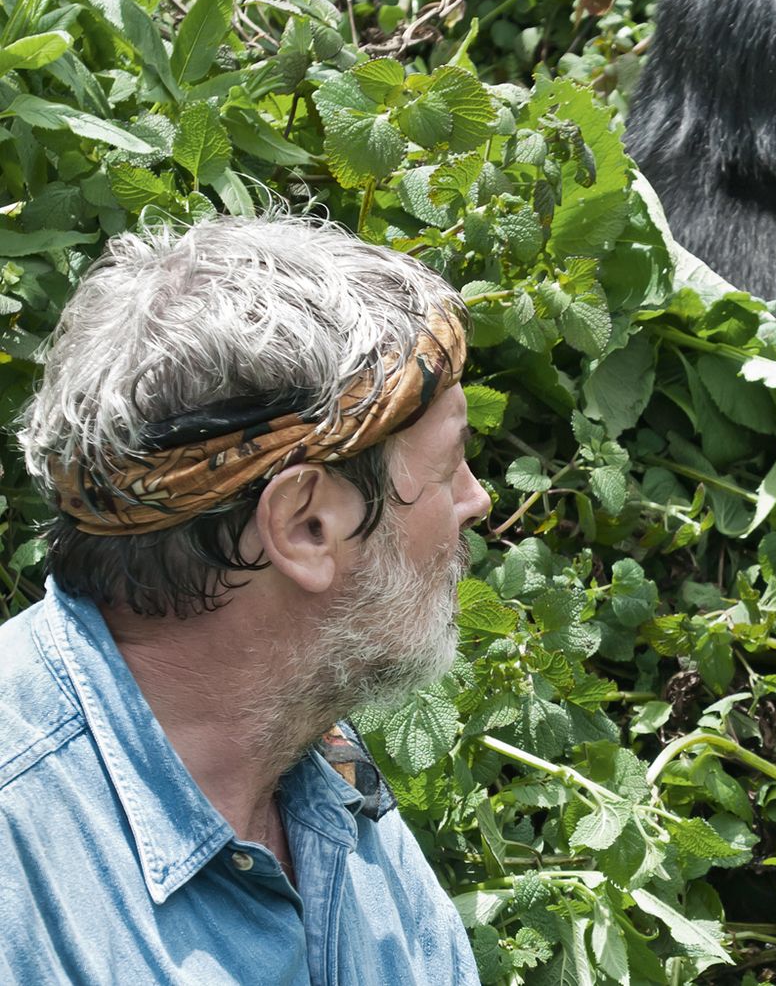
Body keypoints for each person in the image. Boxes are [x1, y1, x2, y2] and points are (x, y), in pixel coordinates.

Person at [0, 215, 490, 984]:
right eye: (450, 464)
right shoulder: (19, 849)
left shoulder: (319, 782)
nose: (476, 500)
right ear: (306, 526)